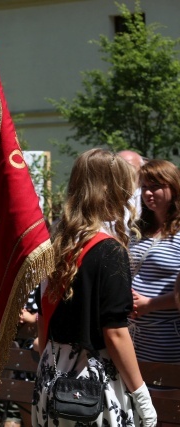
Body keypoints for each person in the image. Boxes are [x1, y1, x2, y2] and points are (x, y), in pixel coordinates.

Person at [32, 149, 156, 427]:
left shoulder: (54, 242)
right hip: (91, 388)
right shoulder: (108, 249)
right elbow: (114, 333)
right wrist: (142, 396)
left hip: (50, 376)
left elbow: (43, 316)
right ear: (110, 190)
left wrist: (52, 367)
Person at [129, 159, 180, 363]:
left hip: (168, 338)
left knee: (164, 394)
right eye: (145, 187)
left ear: (174, 188)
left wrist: (150, 304)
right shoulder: (137, 229)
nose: (148, 193)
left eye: (156, 187)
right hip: (133, 335)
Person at [118, 149, 145, 222]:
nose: (125, 172)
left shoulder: (148, 195)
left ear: (141, 170)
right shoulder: (109, 197)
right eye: (120, 168)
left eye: (130, 167)